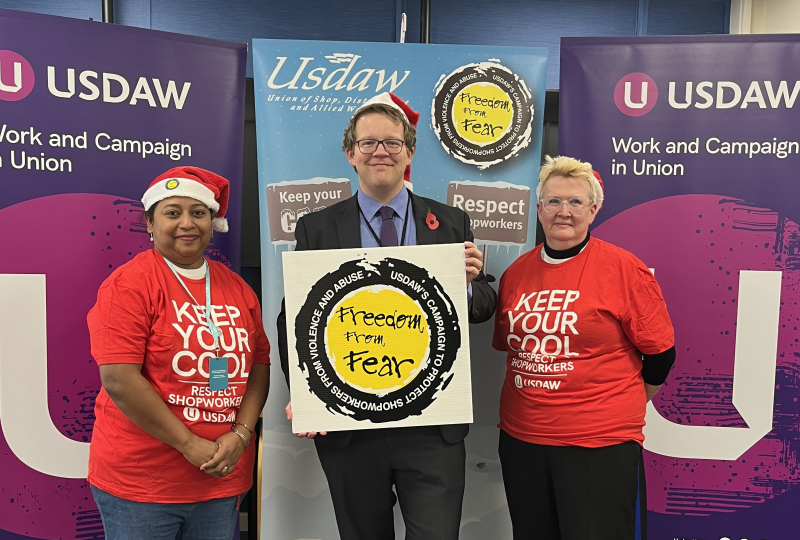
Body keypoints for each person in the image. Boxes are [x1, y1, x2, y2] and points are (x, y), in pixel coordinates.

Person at [277, 92, 497, 540]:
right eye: (369, 143)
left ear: (409, 152)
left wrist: (469, 284)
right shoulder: (316, 227)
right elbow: (294, 317)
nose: (381, 151)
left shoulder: (451, 221)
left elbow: (480, 308)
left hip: (432, 425)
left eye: (393, 143)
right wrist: (305, 390)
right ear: (350, 154)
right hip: (350, 422)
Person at [492, 155, 676, 540]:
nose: (564, 211)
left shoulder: (624, 269)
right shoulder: (515, 274)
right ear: (538, 209)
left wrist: (620, 403)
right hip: (522, 439)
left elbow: (661, 355)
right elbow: (512, 350)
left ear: (593, 209)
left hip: (598, 443)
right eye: (554, 201)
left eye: (575, 202)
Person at [86, 166, 271, 540]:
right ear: (150, 224)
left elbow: (259, 366)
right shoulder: (129, 285)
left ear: (212, 221)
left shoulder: (237, 288)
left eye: (198, 212)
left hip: (221, 479)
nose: (187, 223)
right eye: (172, 212)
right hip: (144, 484)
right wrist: (188, 444)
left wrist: (241, 434)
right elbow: (119, 380)